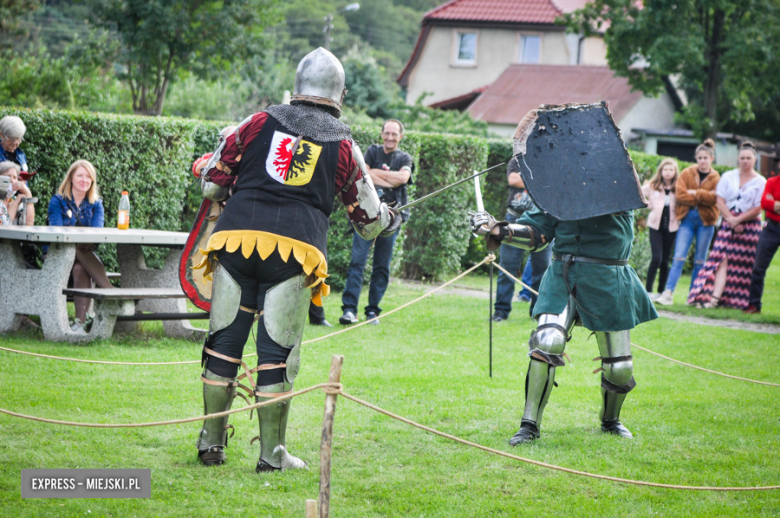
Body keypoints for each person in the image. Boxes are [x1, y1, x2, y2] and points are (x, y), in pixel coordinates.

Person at [190, 48, 399, 471]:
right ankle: (272, 455)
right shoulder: (344, 144)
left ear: (299, 86)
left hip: (235, 241)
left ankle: (211, 441)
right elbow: (369, 222)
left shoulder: (255, 122)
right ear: (338, 94)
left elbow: (211, 183)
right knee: (276, 355)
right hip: (294, 252)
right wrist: (391, 217)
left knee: (225, 344)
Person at [469, 107, 657, 444]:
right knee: (547, 342)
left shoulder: (619, 180)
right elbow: (538, 230)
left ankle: (611, 420)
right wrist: (499, 228)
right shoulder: (560, 184)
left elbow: (622, 226)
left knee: (620, 367)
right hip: (566, 272)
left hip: (608, 275)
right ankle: (529, 424)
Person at [339, 119, 413, 325]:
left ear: (401, 137)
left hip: (391, 220)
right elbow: (365, 173)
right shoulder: (372, 151)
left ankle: (372, 312)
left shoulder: (405, 157)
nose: (390, 137)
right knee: (357, 262)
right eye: (387, 133)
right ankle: (349, 310)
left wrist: (375, 175)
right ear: (381, 134)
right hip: (366, 216)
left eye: (394, 134)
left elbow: (403, 179)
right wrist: (389, 177)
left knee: (381, 266)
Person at [688, 142, 766, 309]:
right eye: (742, 158)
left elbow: (760, 206)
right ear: (738, 159)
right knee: (719, 259)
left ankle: (737, 301)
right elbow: (720, 200)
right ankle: (712, 298)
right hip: (728, 222)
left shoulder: (760, 181)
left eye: (748, 158)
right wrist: (731, 219)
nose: (745, 161)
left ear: (754, 160)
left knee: (744, 265)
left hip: (750, 227)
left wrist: (740, 220)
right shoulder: (728, 176)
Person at [48, 159, 114, 333]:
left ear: (92, 181)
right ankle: (108, 290)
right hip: (58, 256)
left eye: (88, 177)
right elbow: (58, 232)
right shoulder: (57, 201)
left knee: (80, 268)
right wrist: (79, 236)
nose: (84, 180)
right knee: (78, 248)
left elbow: (96, 233)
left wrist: (76, 234)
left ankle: (80, 323)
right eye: (80, 176)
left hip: (84, 256)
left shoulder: (96, 204)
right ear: (71, 178)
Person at [655, 139, 720, 305]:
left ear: (711, 158)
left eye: (705, 158)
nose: (702, 161)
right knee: (678, 257)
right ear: (696, 158)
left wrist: (696, 193)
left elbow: (715, 199)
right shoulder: (687, 173)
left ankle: (694, 296)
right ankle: (668, 293)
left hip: (706, 221)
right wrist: (703, 195)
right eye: (699, 158)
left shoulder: (716, 177)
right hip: (687, 219)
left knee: (700, 259)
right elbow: (680, 195)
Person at [492, 156, 551, 322]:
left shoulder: (552, 159)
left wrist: (527, 177)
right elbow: (513, 179)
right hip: (514, 221)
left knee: (542, 271)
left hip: (544, 224)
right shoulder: (518, 159)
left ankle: (537, 313)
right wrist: (541, 180)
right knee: (507, 269)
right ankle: (501, 312)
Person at [641, 158, 679, 300]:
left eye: (671, 170)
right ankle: (648, 290)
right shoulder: (653, 186)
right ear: (661, 171)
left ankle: (661, 291)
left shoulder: (678, 188)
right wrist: (648, 204)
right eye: (665, 169)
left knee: (665, 261)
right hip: (655, 227)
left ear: (675, 172)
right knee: (656, 258)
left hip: (671, 227)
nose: (668, 173)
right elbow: (639, 192)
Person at [744, 169, 780, 314]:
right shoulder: (772, 181)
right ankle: (754, 305)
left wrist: (775, 203)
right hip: (771, 228)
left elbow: (770, 203)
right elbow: (764, 203)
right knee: (758, 267)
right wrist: (771, 203)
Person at [0, 161, 34, 226]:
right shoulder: (16, 200)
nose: (12, 180)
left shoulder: (13, 200)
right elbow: (5, 226)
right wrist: (16, 202)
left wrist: (28, 194)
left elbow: (29, 225)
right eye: (8, 176)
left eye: (15, 177)